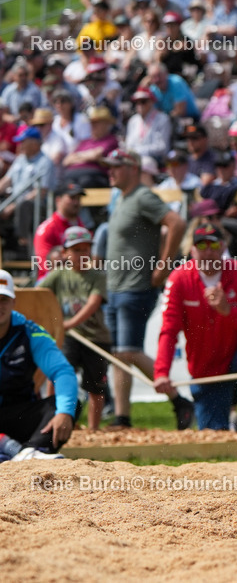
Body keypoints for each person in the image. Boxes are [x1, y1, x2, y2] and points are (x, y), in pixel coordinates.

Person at [102, 148, 189, 430]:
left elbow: (176, 223)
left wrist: (163, 265)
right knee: (119, 353)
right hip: (117, 287)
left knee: (127, 352)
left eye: (116, 166)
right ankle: (122, 417)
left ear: (133, 167)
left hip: (135, 286)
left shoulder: (142, 196)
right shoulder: (123, 198)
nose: (110, 171)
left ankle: (179, 401)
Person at [154, 224, 237, 431]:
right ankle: (233, 421)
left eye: (213, 244)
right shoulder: (179, 279)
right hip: (204, 366)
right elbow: (169, 330)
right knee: (213, 432)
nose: (208, 251)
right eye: (201, 245)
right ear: (192, 250)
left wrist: (228, 312)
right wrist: (162, 372)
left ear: (223, 247)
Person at [38, 227, 120, 432]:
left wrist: (67, 324)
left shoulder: (97, 276)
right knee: (57, 375)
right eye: (76, 250)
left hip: (96, 338)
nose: (82, 254)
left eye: (86, 249)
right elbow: (38, 294)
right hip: (68, 337)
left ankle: (92, 430)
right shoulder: (58, 275)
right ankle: (52, 419)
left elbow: (93, 304)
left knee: (96, 387)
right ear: (65, 253)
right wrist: (52, 321)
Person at [0, 269, 77, 460]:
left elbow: (63, 372)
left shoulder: (30, 332)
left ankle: (32, 452)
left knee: (65, 405)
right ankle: (19, 454)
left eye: (4, 299)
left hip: (20, 415)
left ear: (14, 302)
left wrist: (65, 411)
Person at [33, 181, 85, 281]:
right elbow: (45, 265)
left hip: (78, 280)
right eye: (72, 198)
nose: (76, 202)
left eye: (78, 199)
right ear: (58, 200)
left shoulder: (82, 227)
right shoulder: (47, 229)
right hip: (52, 281)